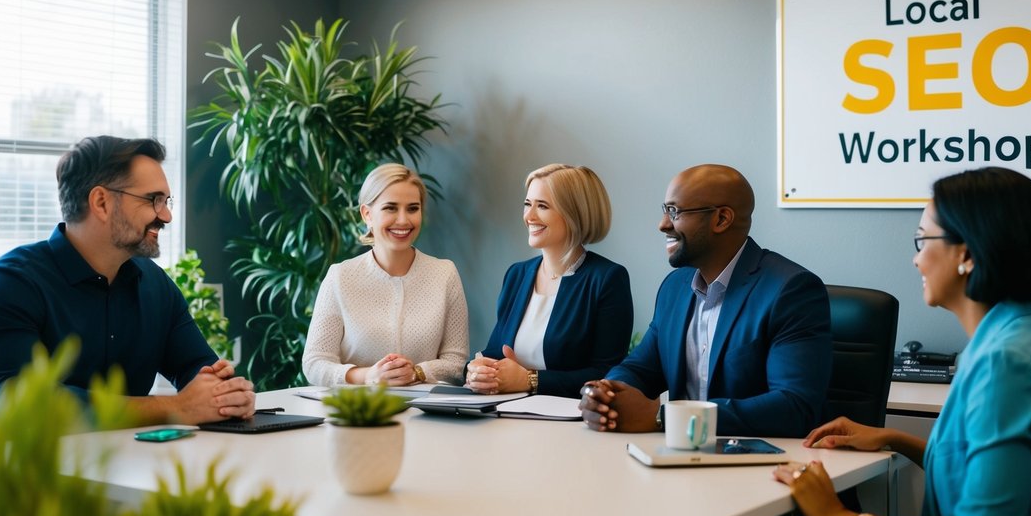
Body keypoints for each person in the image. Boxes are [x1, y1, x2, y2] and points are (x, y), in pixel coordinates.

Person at [773, 167, 1031, 516]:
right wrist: (894, 438)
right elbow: (995, 476)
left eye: (922, 240)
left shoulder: (1006, 362)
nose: (915, 259)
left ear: (966, 254)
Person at [0, 135, 255, 424]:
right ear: (101, 202)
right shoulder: (6, 285)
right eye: (153, 200)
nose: (166, 216)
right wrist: (177, 407)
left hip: (119, 464)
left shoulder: (155, 285)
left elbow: (197, 367)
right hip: (5, 467)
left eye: (167, 201)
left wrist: (225, 395)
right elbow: (25, 404)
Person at [578, 164, 831, 437]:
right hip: (676, 457)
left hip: (750, 463)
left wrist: (666, 417)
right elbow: (640, 368)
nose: (663, 224)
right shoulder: (675, 287)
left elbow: (794, 407)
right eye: (665, 210)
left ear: (721, 219)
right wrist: (607, 393)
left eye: (674, 212)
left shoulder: (790, 290)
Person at [465, 164, 633, 397]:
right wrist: (476, 371)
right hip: (506, 413)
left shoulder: (607, 279)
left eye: (542, 206)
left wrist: (530, 380)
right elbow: (494, 352)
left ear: (575, 213)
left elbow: (607, 373)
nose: (529, 216)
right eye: (527, 204)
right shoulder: (517, 275)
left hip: (570, 422)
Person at [301, 163, 469, 387]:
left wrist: (416, 372)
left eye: (412, 208)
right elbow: (315, 363)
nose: (403, 220)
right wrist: (369, 376)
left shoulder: (444, 274)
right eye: (391, 208)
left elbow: (456, 362)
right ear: (367, 214)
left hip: (427, 415)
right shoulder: (340, 277)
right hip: (358, 412)